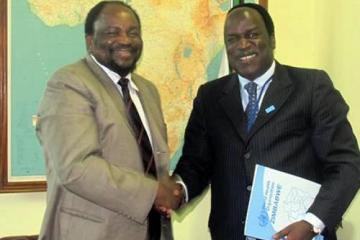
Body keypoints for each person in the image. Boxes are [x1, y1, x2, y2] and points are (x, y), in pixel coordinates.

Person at [173, 3, 360, 240]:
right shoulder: (209, 97)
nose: (243, 45)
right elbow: (196, 164)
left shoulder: (312, 87)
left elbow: (346, 164)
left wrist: (312, 222)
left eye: (252, 35)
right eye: (232, 39)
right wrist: (178, 189)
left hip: (300, 235)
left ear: (272, 39)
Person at [35, 1, 181, 240]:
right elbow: (77, 167)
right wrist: (154, 192)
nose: (125, 40)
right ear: (90, 41)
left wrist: (172, 190)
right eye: (112, 32)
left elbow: (154, 164)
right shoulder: (68, 83)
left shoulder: (148, 91)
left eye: (133, 32)